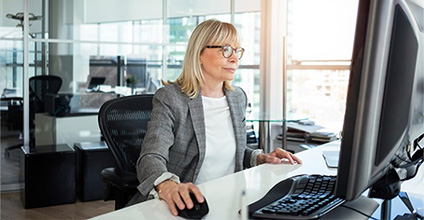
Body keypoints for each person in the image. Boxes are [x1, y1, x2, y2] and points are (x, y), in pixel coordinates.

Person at [129, 19, 302, 216]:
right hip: (188, 205)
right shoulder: (171, 98)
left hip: (230, 199)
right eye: (226, 49)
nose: (235, 58)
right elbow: (151, 156)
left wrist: (260, 157)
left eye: (237, 51)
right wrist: (167, 185)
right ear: (199, 54)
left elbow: (231, 151)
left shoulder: (238, 97)